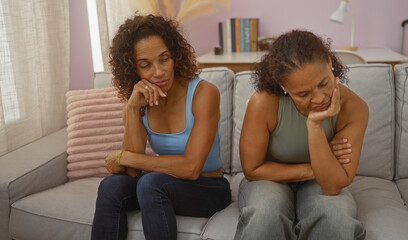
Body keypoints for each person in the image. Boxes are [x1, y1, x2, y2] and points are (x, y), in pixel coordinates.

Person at [91, 14, 231, 240]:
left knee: (152, 183)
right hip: (162, 186)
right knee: (111, 186)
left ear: (175, 56)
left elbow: (191, 168)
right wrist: (131, 109)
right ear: (133, 69)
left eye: (164, 59)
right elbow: (133, 173)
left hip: (209, 187)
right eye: (146, 65)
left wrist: (123, 157)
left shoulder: (204, 93)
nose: (158, 72)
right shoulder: (141, 100)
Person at [234, 30, 368, 240]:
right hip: (268, 180)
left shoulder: (354, 108)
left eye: (324, 83)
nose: (319, 99)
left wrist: (314, 125)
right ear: (283, 86)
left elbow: (333, 185)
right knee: (265, 214)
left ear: (330, 63)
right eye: (303, 94)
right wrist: (320, 166)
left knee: (336, 216)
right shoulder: (264, 103)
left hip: (319, 184)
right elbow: (253, 170)